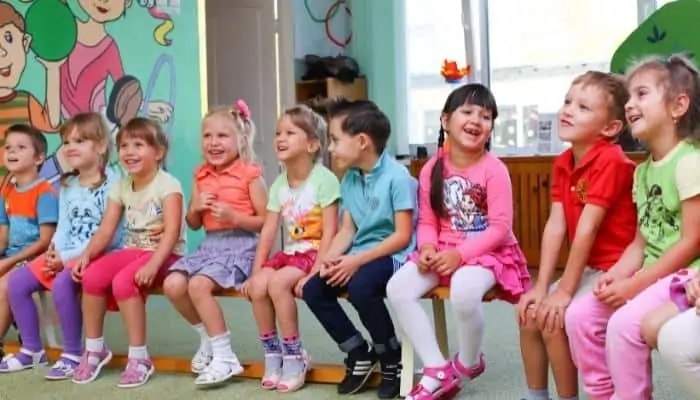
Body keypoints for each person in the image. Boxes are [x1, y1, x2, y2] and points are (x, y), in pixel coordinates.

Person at [565, 54, 700, 400]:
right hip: (651, 274)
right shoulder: (641, 172)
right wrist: (619, 275)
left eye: (641, 94)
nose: (629, 105)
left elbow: (691, 242)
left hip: (684, 274)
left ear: (677, 105)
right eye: (628, 99)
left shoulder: (690, 162)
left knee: (623, 326)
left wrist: (636, 283)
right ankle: (603, 394)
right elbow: (640, 242)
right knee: (579, 316)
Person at [386, 83, 529, 400]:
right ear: (445, 119)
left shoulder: (495, 169)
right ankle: (437, 368)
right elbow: (427, 221)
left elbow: (500, 229)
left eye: (486, 115)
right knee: (397, 288)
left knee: (464, 289)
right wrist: (426, 248)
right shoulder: (431, 168)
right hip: (441, 251)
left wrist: (460, 255)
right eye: (467, 112)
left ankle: (468, 361)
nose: (477, 120)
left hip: (488, 253)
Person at [517, 72, 637, 400]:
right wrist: (541, 287)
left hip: (615, 269)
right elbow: (556, 225)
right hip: (587, 267)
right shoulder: (563, 161)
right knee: (530, 313)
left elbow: (586, 229)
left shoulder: (612, 160)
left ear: (610, 128)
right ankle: (536, 395)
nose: (568, 110)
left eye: (583, 107)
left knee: (554, 317)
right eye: (568, 101)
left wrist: (564, 291)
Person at [301, 99, 417, 399]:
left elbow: (403, 236)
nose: (330, 148)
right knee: (313, 289)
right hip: (360, 254)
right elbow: (347, 231)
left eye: (335, 140)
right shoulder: (350, 178)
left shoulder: (398, 177)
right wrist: (324, 264)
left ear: (362, 141)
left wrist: (355, 262)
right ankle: (358, 352)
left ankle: (391, 357)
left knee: (362, 287)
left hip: (394, 256)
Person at [0, 113, 122, 378]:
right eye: (66, 142)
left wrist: (66, 257)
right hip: (64, 251)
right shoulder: (68, 184)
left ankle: (73, 352)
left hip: (98, 254)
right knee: (18, 283)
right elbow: (64, 225)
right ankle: (32, 349)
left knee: (64, 282)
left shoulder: (114, 183)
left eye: (80, 140)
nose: (70, 147)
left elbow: (107, 234)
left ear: (101, 146)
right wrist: (55, 251)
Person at [70, 117, 186, 388]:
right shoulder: (121, 186)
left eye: (138, 145)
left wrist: (154, 265)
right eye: (123, 146)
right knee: (92, 276)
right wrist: (87, 255)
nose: (129, 152)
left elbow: (172, 233)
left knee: (124, 281)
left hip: (165, 254)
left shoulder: (168, 185)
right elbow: (105, 230)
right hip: (134, 251)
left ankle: (139, 356)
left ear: (158, 152)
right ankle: (95, 347)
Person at [162, 101, 267, 386]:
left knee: (197, 285)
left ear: (241, 139)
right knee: (172, 284)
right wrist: (195, 207)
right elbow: (194, 223)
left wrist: (235, 217)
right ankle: (206, 336)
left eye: (222, 136)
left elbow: (268, 222)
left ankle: (224, 356)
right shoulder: (200, 174)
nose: (214, 142)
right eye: (207, 136)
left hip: (241, 246)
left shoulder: (250, 174)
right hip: (210, 246)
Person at [242, 104, 340, 392]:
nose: (280, 138)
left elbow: (331, 232)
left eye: (289, 132)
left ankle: (295, 354)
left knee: (278, 284)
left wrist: (315, 272)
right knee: (259, 285)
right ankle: (273, 353)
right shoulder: (278, 185)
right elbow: (269, 231)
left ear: (312, 144)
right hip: (293, 253)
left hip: (316, 253)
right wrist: (257, 270)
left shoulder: (324, 179)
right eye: (277, 133)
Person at [0, 124, 58, 356]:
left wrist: (9, 262)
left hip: (37, 258)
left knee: (5, 285)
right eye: (8, 147)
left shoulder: (45, 193)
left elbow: (45, 242)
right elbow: (3, 237)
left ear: (39, 158)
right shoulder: (6, 194)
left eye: (21, 147)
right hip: (13, 256)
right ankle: (22, 322)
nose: (12, 152)